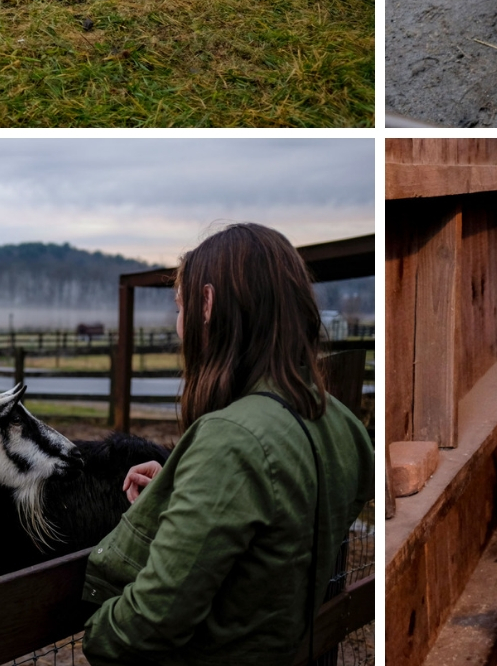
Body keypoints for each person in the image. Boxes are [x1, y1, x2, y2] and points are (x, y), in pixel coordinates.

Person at [81, 223, 373, 666]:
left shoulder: (230, 441)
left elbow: (152, 621)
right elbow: (287, 520)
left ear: (208, 305)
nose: (179, 328)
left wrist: (98, 631)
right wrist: (195, 491)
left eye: (180, 308)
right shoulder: (339, 420)